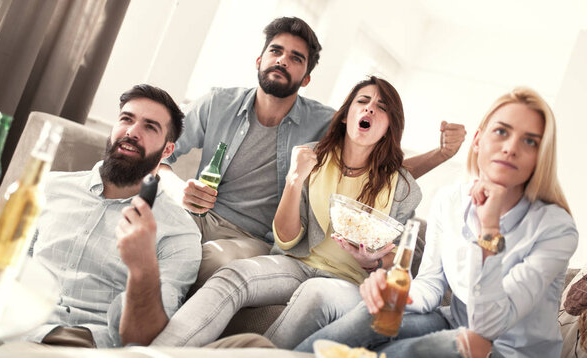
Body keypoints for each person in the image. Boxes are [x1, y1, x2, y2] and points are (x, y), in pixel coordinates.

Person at [159, 16, 466, 289]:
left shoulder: (327, 124)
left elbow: (381, 167)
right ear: (259, 59)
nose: (283, 60)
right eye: (276, 51)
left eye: (296, 58)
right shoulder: (217, 102)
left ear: (306, 78)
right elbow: (158, 156)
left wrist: (440, 154)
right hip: (195, 216)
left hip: (253, 238)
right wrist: (179, 189)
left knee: (210, 259)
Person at [295, 87, 578, 358]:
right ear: (478, 141)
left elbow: (489, 326)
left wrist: (489, 231)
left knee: (459, 345)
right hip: (454, 324)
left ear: (539, 157)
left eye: (530, 141)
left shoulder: (556, 229)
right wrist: (394, 293)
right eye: (501, 132)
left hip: (510, 350)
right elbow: (431, 284)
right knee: (373, 314)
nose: (510, 148)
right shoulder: (451, 200)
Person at [151, 76, 420, 347]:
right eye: (362, 101)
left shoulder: (403, 188)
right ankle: (153, 354)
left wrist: (373, 261)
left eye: (381, 107)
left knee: (314, 294)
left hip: (351, 280)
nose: (369, 109)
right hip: (299, 264)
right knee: (232, 275)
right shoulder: (312, 158)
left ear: (389, 126)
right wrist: (294, 180)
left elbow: (401, 259)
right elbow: (286, 239)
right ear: (345, 115)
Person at [23, 84, 202, 348]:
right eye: (126, 119)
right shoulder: (48, 187)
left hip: (82, 346)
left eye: (150, 127)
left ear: (167, 150)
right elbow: (3, 266)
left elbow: (142, 337)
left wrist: (142, 267)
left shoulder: (180, 233)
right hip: (11, 325)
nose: (132, 132)